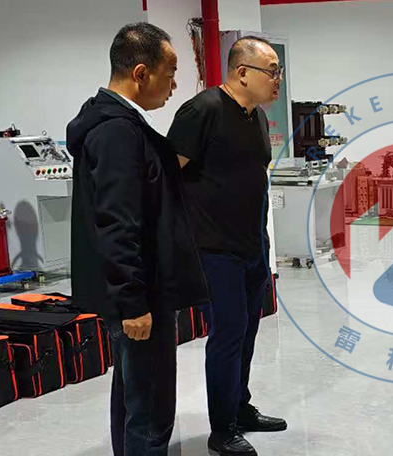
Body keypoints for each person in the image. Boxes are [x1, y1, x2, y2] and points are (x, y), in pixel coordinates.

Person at [67, 22, 209, 456]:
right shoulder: (116, 132)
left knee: (135, 395)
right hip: (141, 294)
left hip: (144, 289)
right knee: (150, 409)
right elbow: (116, 223)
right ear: (141, 73)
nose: (174, 85)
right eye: (171, 74)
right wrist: (133, 303)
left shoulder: (118, 124)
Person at [168, 36, 286, 456]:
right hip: (214, 250)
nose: (278, 79)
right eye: (272, 71)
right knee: (228, 335)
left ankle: (240, 407)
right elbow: (165, 179)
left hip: (252, 247)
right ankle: (222, 429)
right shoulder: (201, 111)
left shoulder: (255, 117)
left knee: (248, 331)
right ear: (242, 73)